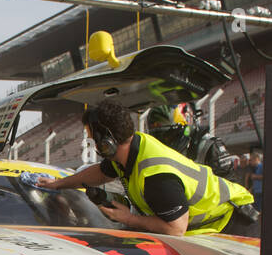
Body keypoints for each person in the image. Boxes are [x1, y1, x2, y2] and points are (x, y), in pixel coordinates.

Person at [37, 100, 258, 236]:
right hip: (219, 221)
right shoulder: (133, 148)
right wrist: (59, 183)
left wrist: (129, 218)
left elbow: (176, 229)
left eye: (95, 139)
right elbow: (101, 172)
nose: (94, 145)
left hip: (235, 222)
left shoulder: (156, 176)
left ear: (108, 141)